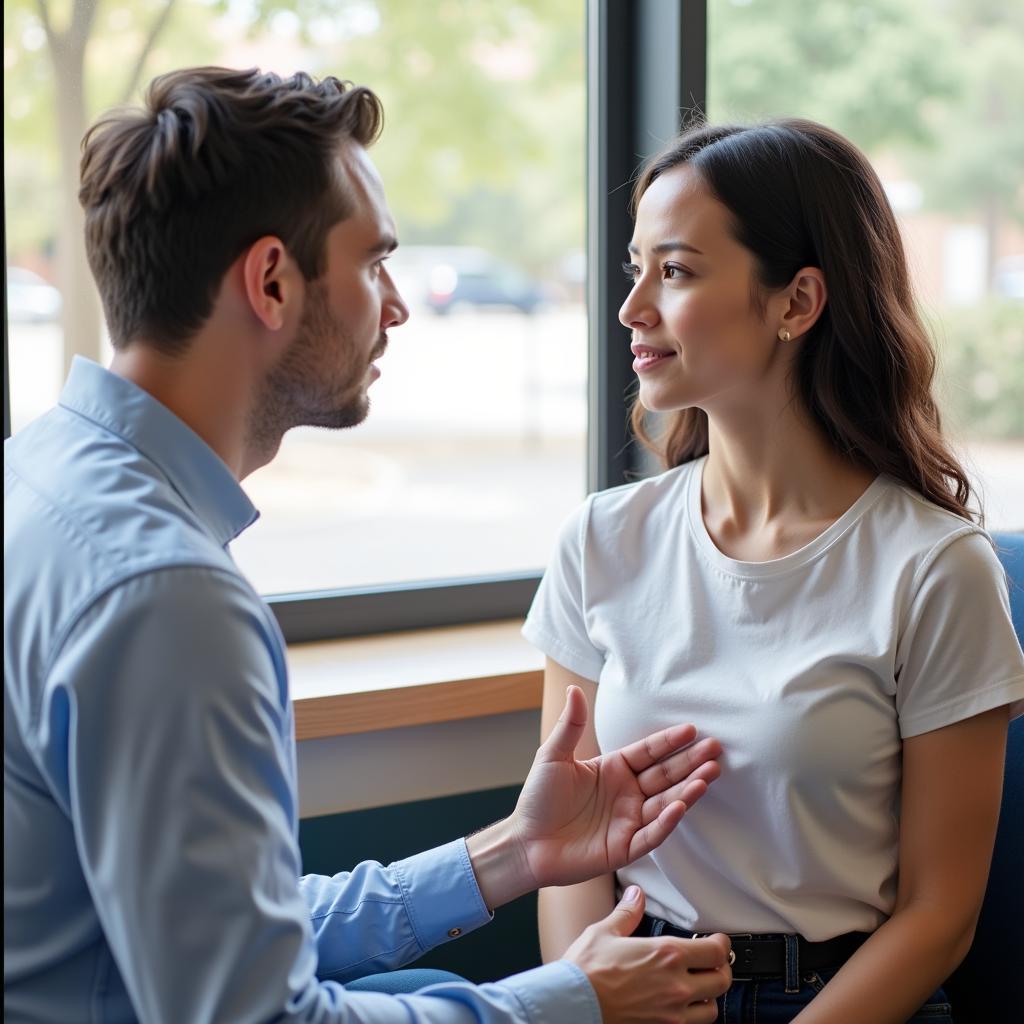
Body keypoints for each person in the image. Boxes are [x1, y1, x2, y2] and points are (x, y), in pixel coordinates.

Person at [2, 67, 735, 1023]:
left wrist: (513, 853)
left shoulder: (41, 477)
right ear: (271, 281)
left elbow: (222, 934)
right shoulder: (166, 596)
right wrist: (571, 1003)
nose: (393, 305)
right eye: (372, 263)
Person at [525, 118, 1024, 1023]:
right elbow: (568, 847)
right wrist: (583, 1002)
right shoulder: (600, 541)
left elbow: (939, 917)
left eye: (673, 271)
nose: (633, 306)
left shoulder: (936, 570)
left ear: (796, 303)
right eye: (635, 267)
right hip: (630, 991)